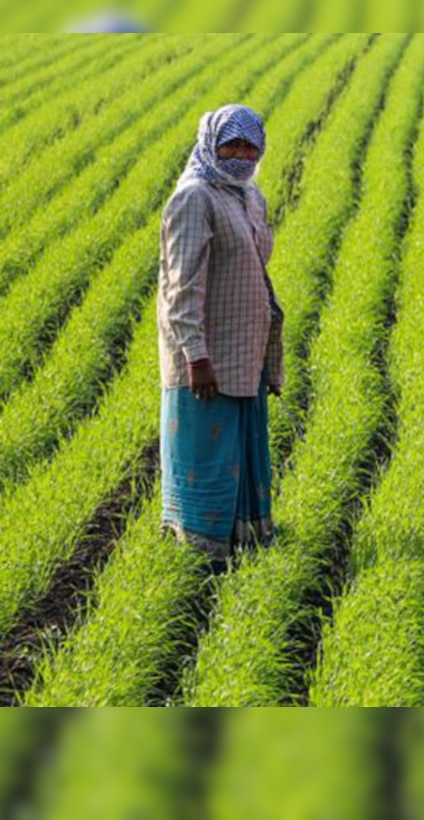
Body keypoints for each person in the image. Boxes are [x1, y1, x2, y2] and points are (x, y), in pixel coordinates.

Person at [157, 104, 283, 566]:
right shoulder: (194, 198)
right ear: (211, 143)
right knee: (207, 454)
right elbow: (180, 287)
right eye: (231, 144)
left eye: (250, 146)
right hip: (206, 356)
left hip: (243, 348)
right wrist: (196, 356)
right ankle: (199, 556)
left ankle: (241, 547)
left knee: (239, 447)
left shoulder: (248, 196)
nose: (241, 154)